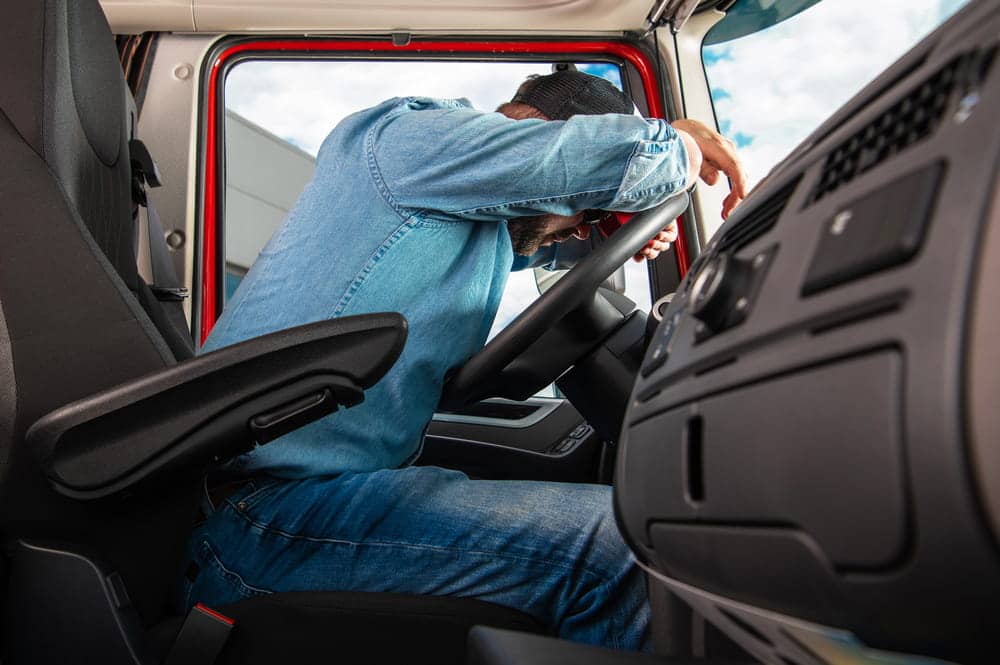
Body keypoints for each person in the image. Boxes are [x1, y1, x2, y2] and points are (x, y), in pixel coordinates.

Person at [181, 71, 746, 651]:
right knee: (627, 550)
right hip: (261, 513)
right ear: (538, 130)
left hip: (300, 495)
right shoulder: (405, 137)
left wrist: (605, 230)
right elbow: (583, 162)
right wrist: (678, 142)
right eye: (583, 207)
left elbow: (537, 238)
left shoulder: (457, 211)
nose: (580, 224)